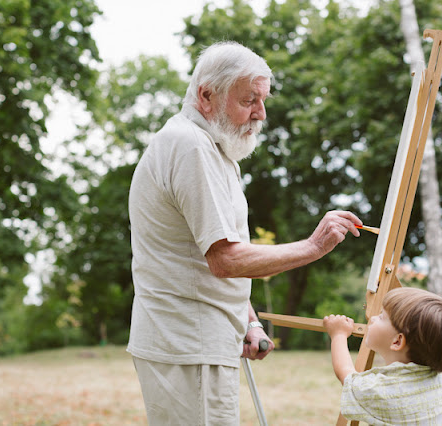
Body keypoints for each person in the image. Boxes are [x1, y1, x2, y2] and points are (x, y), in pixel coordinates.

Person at [127, 40, 363, 425]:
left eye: (263, 99)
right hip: (189, 344)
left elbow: (215, 250)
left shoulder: (214, 149)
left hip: (200, 341)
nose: (261, 113)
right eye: (249, 100)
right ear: (207, 95)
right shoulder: (190, 148)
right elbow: (224, 259)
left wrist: (249, 320)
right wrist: (313, 246)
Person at [323, 287, 442, 425]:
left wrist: (338, 335)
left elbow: (346, 373)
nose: (372, 318)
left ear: (397, 341)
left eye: (381, 316)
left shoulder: (383, 392)